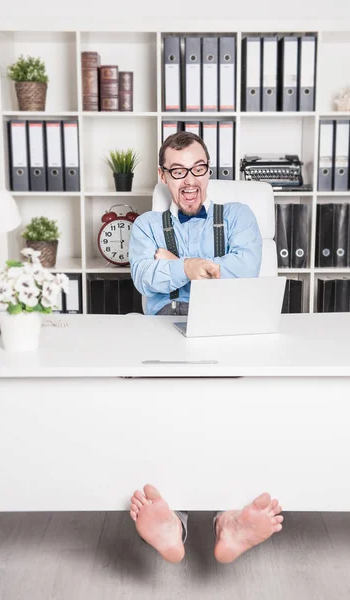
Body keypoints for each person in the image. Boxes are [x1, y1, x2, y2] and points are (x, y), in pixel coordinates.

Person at [128, 131, 284, 563]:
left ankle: (230, 518)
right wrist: (191, 268)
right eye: (178, 172)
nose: (190, 181)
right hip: (165, 326)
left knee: (233, 410)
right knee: (164, 412)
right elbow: (142, 277)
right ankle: (173, 520)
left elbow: (245, 269)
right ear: (163, 176)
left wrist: (172, 265)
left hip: (228, 326)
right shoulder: (145, 226)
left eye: (198, 169)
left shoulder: (239, 215)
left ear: (209, 170)